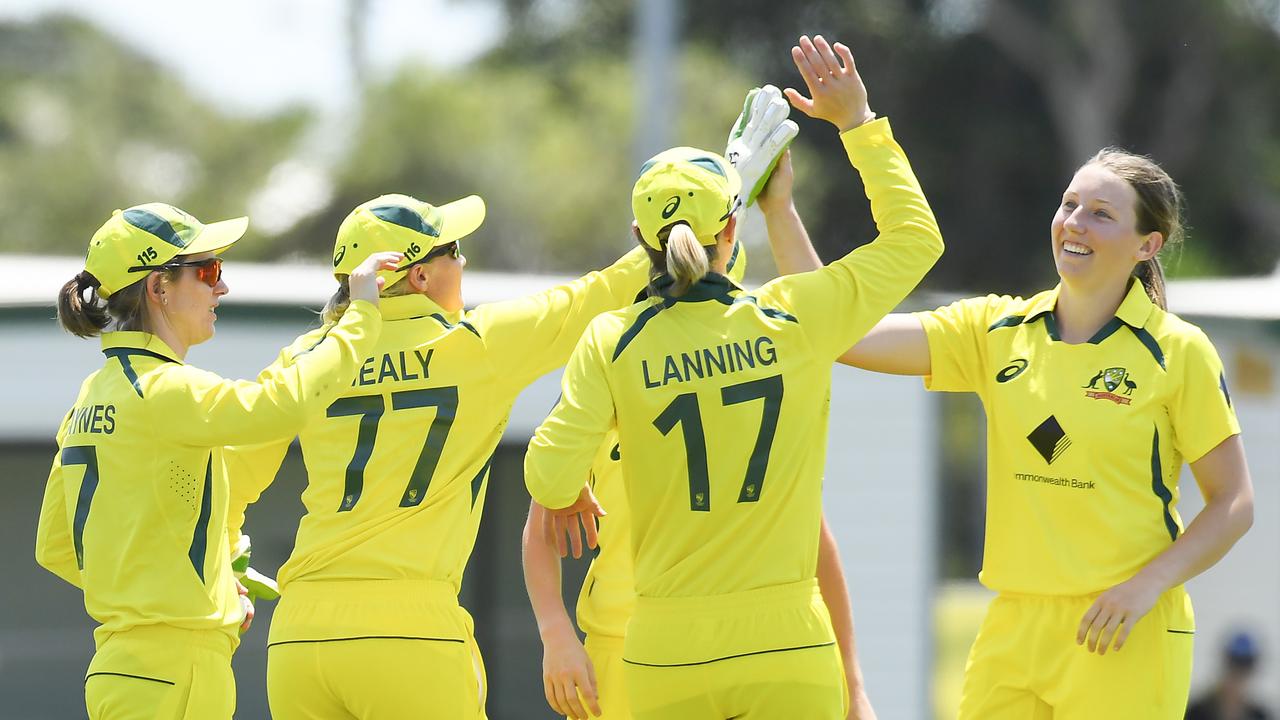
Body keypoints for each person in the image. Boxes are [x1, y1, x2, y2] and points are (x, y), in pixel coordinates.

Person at [766, 99, 1256, 718]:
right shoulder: (996, 328)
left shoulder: (1177, 351)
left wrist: (1146, 586)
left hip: (1124, 629)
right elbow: (839, 330)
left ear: (1146, 244)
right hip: (1013, 628)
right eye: (1069, 205)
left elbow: (1234, 503)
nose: (1074, 223)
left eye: (1101, 215)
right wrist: (816, 171)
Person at [524, 35, 942, 719]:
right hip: (788, 645)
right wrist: (859, 126)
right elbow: (916, 238)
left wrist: (566, 488)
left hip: (667, 649)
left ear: (639, 239)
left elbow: (548, 480)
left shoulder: (614, 338)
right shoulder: (795, 314)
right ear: (733, 229)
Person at [221, 192, 651, 719]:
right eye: (452, 249)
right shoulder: (479, 345)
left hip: (299, 634)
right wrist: (707, 206)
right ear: (420, 276)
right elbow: (600, 294)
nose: (463, 261)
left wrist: (226, 561)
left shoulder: (306, 356)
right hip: (411, 628)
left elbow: (227, 479)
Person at [35, 202, 393, 719]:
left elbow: (56, 548)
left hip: (120, 666)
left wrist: (195, 586)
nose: (220, 288)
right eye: (208, 271)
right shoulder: (165, 388)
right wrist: (361, 316)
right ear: (158, 288)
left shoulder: (90, 395)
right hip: (175, 668)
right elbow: (283, 405)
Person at [1186, 631, 1274, 720]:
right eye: (1234, 665)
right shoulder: (1196, 713)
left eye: (1245, 667)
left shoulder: (1260, 716)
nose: (1238, 674)